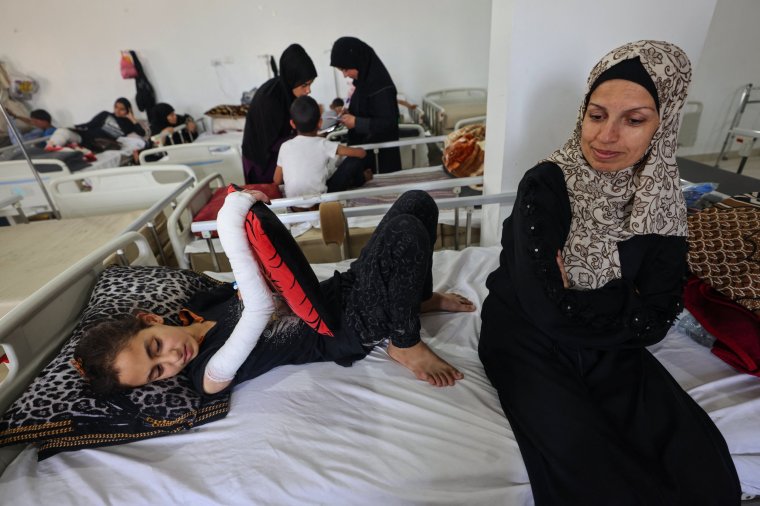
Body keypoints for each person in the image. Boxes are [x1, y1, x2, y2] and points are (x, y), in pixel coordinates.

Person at [478, 40, 741, 505]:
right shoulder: (545, 183)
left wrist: (586, 300)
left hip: (612, 343)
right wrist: (627, 298)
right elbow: (546, 309)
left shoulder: (661, 202)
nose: (605, 136)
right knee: (591, 471)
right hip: (526, 336)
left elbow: (658, 319)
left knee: (699, 465)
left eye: (634, 120)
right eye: (596, 115)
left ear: (665, 124)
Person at [76, 189, 475, 396]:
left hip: (340, 288)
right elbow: (256, 310)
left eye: (154, 347)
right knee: (407, 235)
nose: (171, 359)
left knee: (417, 204)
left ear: (150, 321)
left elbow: (247, 286)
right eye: (157, 372)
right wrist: (233, 215)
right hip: (343, 327)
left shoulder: (196, 308)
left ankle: (416, 300)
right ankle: (403, 341)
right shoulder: (207, 374)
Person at [241, 44, 317, 184]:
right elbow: (271, 141)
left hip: (280, 154)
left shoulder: (289, 93)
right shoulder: (269, 99)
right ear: (291, 79)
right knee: (269, 200)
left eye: (310, 84)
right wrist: (306, 137)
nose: (308, 90)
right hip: (263, 160)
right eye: (304, 85)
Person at [274, 95, 370, 201]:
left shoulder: (285, 146)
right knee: (353, 161)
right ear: (320, 123)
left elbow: (277, 180)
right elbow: (361, 154)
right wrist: (361, 151)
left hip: (294, 206)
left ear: (292, 124)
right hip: (322, 202)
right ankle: (361, 179)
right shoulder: (323, 144)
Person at [330, 37, 401, 174]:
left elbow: (389, 123)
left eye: (346, 69)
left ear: (359, 61)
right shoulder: (362, 83)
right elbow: (366, 109)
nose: (345, 75)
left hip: (381, 158)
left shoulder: (382, 87)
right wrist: (349, 113)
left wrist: (356, 122)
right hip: (367, 153)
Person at [48, 98, 146, 153]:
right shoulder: (105, 114)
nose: (117, 110)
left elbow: (142, 133)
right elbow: (89, 125)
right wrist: (75, 127)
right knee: (62, 131)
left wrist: (132, 118)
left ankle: (59, 148)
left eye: (122, 109)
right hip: (85, 136)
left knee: (72, 148)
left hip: (98, 144)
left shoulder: (128, 124)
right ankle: (50, 149)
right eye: (116, 107)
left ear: (128, 110)